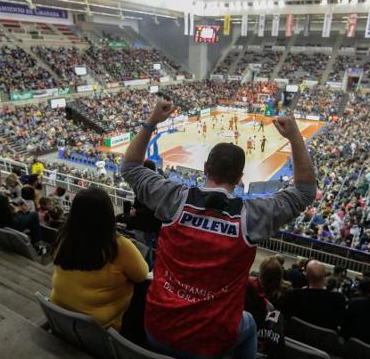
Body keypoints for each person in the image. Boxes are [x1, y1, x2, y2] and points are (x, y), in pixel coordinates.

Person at [121, 98, 316, 359]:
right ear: (239, 179)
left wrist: (151, 121)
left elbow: (131, 167)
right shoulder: (251, 217)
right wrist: (295, 138)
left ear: (205, 169)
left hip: (155, 329)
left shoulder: (174, 198)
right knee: (247, 320)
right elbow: (304, 191)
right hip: (209, 344)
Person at [50, 187, 149, 331]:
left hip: (59, 312)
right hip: (98, 327)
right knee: (145, 285)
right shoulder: (119, 246)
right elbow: (141, 275)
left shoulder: (63, 235)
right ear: (108, 213)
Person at [282, 260, 346, 331]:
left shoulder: (294, 295)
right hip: (324, 341)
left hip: (293, 338)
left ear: (306, 276)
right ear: (325, 275)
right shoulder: (338, 300)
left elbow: (285, 318)